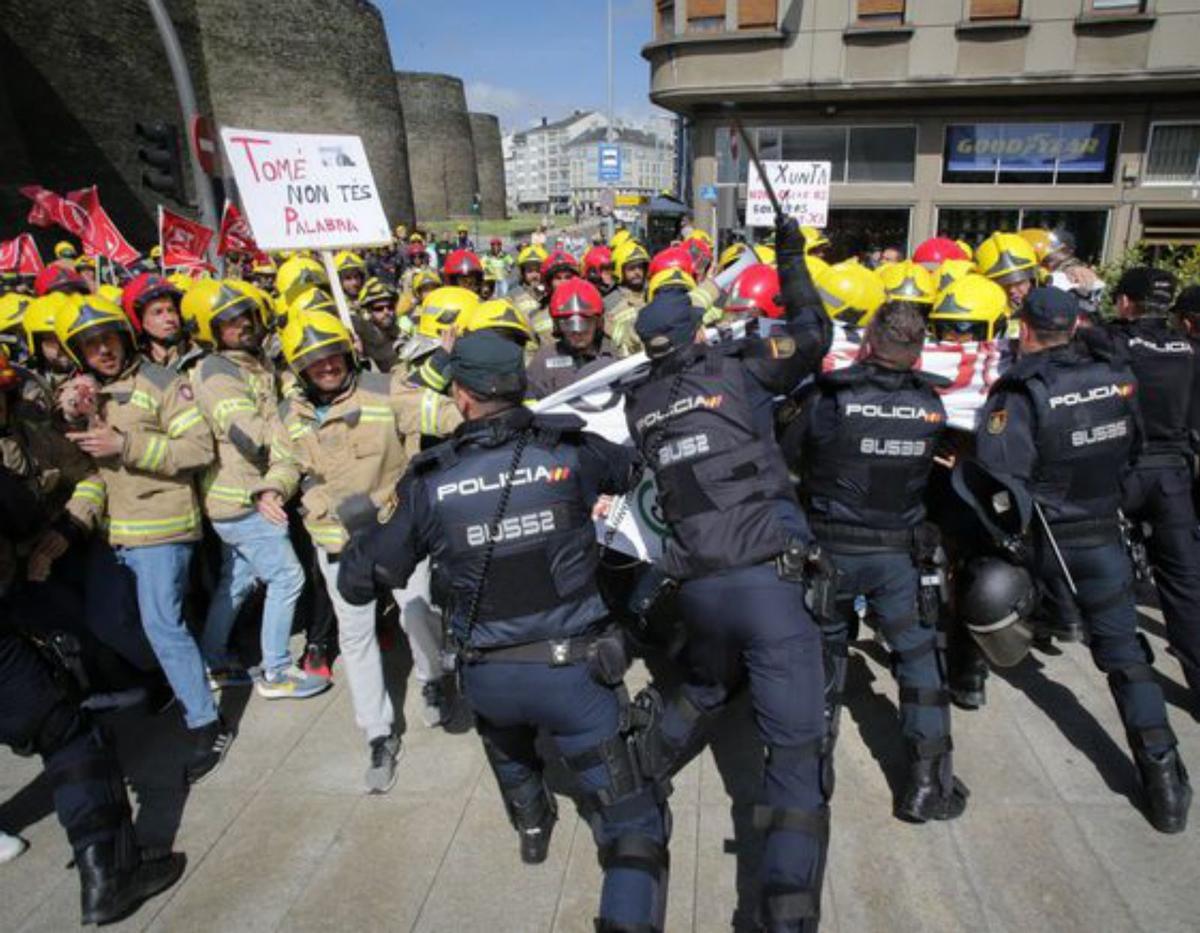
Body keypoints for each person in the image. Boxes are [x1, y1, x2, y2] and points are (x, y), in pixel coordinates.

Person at [337, 331, 670, 932]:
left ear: (461, 396)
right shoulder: (572, 451)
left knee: (510, 749)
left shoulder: (430, 480)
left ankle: (534, 828)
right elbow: (630, 469)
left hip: (488, 676)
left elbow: (363, 582)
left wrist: (362, 535)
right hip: (577, 674)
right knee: (635, 821)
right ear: (519, 385)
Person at [623, 217, 833, 931]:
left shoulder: (639, 403)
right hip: (769, 583)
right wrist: (792, 261)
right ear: (699, 332)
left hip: (701, 592)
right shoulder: (741, 367)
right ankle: (785, 914)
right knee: (796, 754)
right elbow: (814, 331)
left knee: (710, 684)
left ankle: (640, 769)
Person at [971, 287, 1191, 833]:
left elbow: (1000, 479)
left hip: (1050, 538)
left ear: (1023, 329)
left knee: (980, 587)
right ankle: (1164, 776)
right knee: (1125, 656)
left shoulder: (1020, 390)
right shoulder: (1117, 375)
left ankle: (966, 680)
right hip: (1104, 532)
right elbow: (1133, 445)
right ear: (1074, 327)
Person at [26, 295, 233, 784]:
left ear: (125, 336)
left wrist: (127, 445)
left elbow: (199, 448)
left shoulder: (161, 382)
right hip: (113, 534)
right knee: (106, 621)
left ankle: (207, 722)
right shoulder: (85, 396)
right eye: (91, 344)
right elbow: (89, 476)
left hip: (163, 525)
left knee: (164, 625)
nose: (104, 350)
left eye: (109, 338)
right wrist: (68, 425)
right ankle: (174, 679)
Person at [257, 305, 459, 790]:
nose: (325, 367)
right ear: (299, 369)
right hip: (336, 539)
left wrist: (483, 418)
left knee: (417, 613)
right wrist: (271, 488)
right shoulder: (291, 414)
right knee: (355, 636)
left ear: (347, 354)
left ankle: (433, 680)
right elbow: (285, 463)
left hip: (396, 529)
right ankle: (377, 732)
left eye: (332, 356)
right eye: (312, 361)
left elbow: (438, 411)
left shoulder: (385, 388)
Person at [784, 302, 968, 823]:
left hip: (831, 551)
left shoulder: (828, 398)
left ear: (867, 339)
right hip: (896, 556)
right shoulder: (933, 405)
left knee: (822, 658)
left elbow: (788, 456)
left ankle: (814, 775)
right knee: (918, 661)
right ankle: (928, 785)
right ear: (917, 350)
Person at [183, 280, 327, 699]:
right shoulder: (216, 372)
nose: (242, 324)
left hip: (241, 494)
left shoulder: (254, 361)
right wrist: (295, 428)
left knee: (238, 580)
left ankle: (214, 658)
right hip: (246, 497)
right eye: (228, 321)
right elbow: (252, 437)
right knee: (287, 578)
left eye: (245, 315)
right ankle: (276, 671)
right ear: (210, 330)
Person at [1082, 267, 1200, 706]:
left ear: (1127, 303)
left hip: (1121, 470)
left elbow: (1077, 335)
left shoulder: (1114, 340)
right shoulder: (1189, 347)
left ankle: (1106, 645)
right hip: (1173, 476)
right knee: (1185, 583)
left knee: (1101, 566)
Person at [527, 279, 616, 399]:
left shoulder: (616, 353)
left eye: (585, 323)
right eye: (569, 324)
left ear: (598, 323)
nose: (577, 331)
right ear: (557, 326)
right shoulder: (543, 361)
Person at [121, 273, 204, 374]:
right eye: (158, 312)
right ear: (139, 320)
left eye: (171, 310)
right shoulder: (134, 370)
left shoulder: (200, 353)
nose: (169, 318)